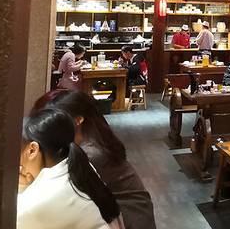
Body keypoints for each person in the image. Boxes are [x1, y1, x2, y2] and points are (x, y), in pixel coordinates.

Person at [32, 90, 156, 229]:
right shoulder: (90, 138)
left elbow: (58, 190)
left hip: (129, 218)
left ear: (78, 120)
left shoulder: (91, 153)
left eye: (53, 120)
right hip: (120, 213)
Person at [18, 108, 122, 229]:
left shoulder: (36, 204)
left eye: (18, 154)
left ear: (32, 150)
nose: (19, 165)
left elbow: (15, 218)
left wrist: (22, 188)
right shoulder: (80, 166)